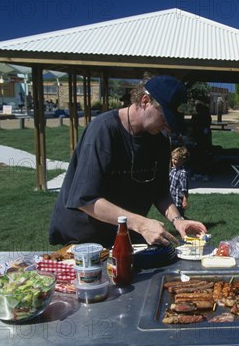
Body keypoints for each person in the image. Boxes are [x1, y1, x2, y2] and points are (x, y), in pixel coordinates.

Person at [48, 75, 207, 247]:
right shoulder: (103, 131)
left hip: (124, 237)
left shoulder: (159, 140)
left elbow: (160, 192)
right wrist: (141, 224)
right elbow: (86, 199)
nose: (168, 125)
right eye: (164, 117)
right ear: (145, 101)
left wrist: (178, 220)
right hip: (85, 239)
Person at [190, 102, 213, 178]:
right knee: (203, 155)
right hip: (203, 139)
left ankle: (199, 171)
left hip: (199, 138)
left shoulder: (197, 117)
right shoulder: (207, 117)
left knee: (199, 156)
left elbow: (193, 127)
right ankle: (203, 171)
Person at [169, 146, 190, 217]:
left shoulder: (183, 173)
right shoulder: (173, 170)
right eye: (172, 158)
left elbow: (185, 189)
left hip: (178, 201)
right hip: (171, 198)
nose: (173, 161)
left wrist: (185, 200)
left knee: (179, 217)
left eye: (176, 159)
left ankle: (187, 225)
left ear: (182, 161)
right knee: (174, 216)